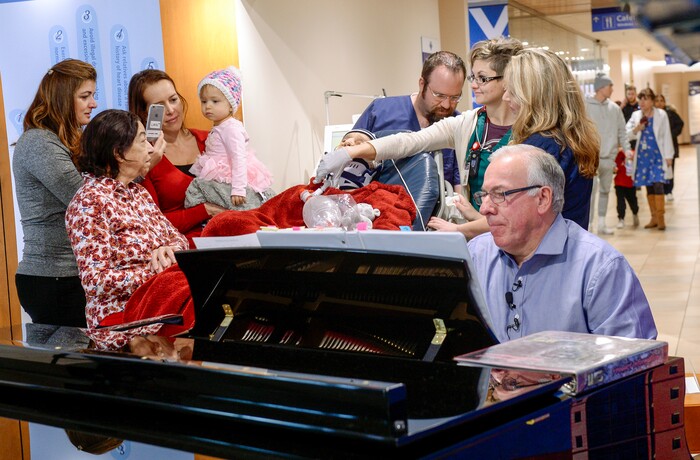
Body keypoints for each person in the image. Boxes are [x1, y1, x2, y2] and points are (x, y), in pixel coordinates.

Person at [315, 37, 523, 239]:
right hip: (478, 234)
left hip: (507, 234)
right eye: (474, 78)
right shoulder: (466, 125)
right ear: (422, 84)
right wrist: (350, 151)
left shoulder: (528, 131)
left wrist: (464, 229)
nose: (475, 85)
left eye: (483, 78)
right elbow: (408, 142)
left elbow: (519, 214)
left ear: (506, 81)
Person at [466, 144, 657, 343]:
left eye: (500, 194)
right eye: (484, 195)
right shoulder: (476, 256)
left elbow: (634, 363)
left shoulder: (600, 268)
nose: (485, 209)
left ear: (542, 198)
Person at [65, 110, 189, 350]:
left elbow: (179, 240)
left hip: (157, 308)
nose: (152, 150)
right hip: (121, 323)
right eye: (143, 141)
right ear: (118, 153)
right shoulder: (90, 201)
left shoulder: (138, 192)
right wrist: (156, 274)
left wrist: (168, 249)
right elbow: (96, 282)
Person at [12, 59, 97, 328]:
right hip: (53, 278)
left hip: (70, 275)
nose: (93, 104)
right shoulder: (38, 142)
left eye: (93, 95)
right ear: (61, 98)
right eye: (85, 96)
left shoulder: (67, 141)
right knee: (70, 365)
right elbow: (85, 201)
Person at [502, 47, 599, 229]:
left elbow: (521, 220)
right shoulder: (570, 138)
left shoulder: (539, 149)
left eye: (513, 91)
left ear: (534, 96)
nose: (505, 98)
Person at [128, 69, 226, 247]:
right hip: (182, 249)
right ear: (145, 114)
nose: (171, 110)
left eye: (173, 100)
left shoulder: (211, 139)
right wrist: (205, 210)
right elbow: (151, 222)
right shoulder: (146, 159)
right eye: (159, 107)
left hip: (230, 237)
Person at [352, 50, 466, 193]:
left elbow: (459, 188)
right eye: (439, 95)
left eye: (455, 97)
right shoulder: (381, 112)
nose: (447, 105)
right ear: (422, 84)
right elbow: (351, 163)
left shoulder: (458, 126)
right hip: (378, 208)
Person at [185, 66, 274, 210]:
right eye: (204, 101)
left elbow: (238, 157)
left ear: (231, 105)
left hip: (228, 174)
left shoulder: (231, 128)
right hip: (219, 172)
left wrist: (238, 189)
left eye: (215, 101)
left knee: (199, 191)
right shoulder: (220, 126)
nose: (208, 106)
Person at [585, 72, 632, 235]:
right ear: (601, 87)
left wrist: (626, 150)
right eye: (610, 86)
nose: (612, 89)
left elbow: (622, 132)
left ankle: (602, 223)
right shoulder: (585, 106)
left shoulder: (615, 109)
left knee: (605, 190)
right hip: (590, 158)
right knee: (590, 192)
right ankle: (589, 224)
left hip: (608, 158)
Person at [626, 88, 674, 231]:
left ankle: (661, 218)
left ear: (652, 101)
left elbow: (666, 135)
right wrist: (636, 129)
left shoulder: (661, 114)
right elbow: (626, 133)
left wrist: (669, 156)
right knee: (648, 185)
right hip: (642, 157)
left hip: (658, 156)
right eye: (641, 99)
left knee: (658, 184)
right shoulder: (635, 115)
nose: (642, 102)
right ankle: (653, 217)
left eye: (646, 99)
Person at [654, 94, 685, 201]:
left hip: (670, 146)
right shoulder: (651, 114)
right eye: (657, 101)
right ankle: (660, 190)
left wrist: (671, 135)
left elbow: (680, 124)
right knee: (658, 170)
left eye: (661, 100)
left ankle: (669, 191)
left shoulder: (670, 113)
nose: (659, 103)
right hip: (656, 148)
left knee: (669, 169)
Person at [614, 148, 640, 228]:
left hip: (630, 184)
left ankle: (635, 213)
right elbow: (614, 166)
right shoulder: (617, 153)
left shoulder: (633, 153)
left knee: (633, 202)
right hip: (619, 183)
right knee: (620, 202)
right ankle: (621, 218)